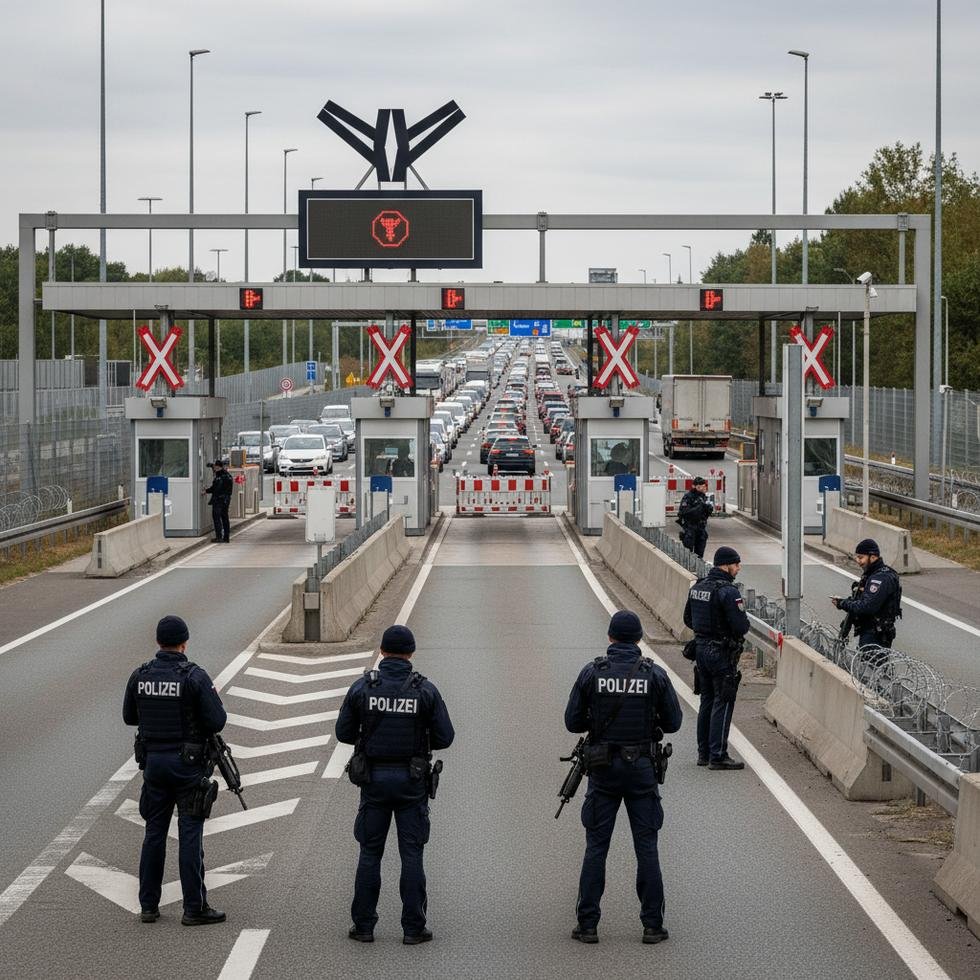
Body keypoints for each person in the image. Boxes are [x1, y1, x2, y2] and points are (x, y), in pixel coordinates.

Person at [564, 610, 683, 945]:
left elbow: (572, 722)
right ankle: (652, 925)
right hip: (642, 769)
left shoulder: (592, 673)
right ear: (639, 639)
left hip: (602, 770)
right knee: (646, 847)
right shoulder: (655, 675)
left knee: (596, 848)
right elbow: (673, 722)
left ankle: (587, 925)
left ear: (611, 637)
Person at [336, 625, 455, 945]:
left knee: (369, 853)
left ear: (383, 651)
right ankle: (413, 928)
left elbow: (344, 733)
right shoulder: (424, 690)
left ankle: (363, 926)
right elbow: (445, 737)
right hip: (412, 782)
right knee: (412, 855)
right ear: (411, 653)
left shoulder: (363, 687)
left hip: (372, 781)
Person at [122, 615, 228, 926]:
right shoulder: (193, 676)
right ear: (184, 643)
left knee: (154, 834)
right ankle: (194, 908)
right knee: (189, 835)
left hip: (153, 765)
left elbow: (130, 717)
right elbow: (217, 720)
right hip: (188, 766)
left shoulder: (140, 675)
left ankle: (149, 906)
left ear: (158, 642)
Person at [683, 546, 750, 770]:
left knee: (707, 700)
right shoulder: (728, 591)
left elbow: (688, 619)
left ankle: (703, 753)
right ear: (726, 564)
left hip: (701, 649)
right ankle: (718, 755)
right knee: (724, 700)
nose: (738, 568)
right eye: (736, 564)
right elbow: (741, 626)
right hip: (721, 652)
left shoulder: (698, 587)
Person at [831, 538, 902, 652]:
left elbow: (867, 606)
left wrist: (843, 603)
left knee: (871, 667)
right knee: (866, 666)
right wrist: (843, 602)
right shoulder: (871, 574)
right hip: (870, 631)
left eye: (861, 557)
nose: (858, 561)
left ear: (873, 557)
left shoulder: (880, 578)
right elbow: (861, 599)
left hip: (876, 634)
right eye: (857, 557)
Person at [677, 476, 713, 558]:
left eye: (704, 486)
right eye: (701, 486)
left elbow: (708, 511)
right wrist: (698, 508)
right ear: (695, 486)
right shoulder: (688, 497)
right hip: (690, 529)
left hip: (701, 529)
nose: (703, 488)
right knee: (688, 555)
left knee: (699, 555)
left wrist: (707, 508)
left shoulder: (704, 497)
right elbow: (683, 512)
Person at [203, 460, 233, 543]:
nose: (214, 469)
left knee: (216, 518)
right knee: (225, 518)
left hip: (219, 500)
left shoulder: (220, 477)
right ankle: (226, 537)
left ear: (218, 467)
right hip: (226, 500)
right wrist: (211, 466)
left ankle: (219, 537)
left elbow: (215, 488)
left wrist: (206, 491)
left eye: (215, 467)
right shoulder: (228, 475)